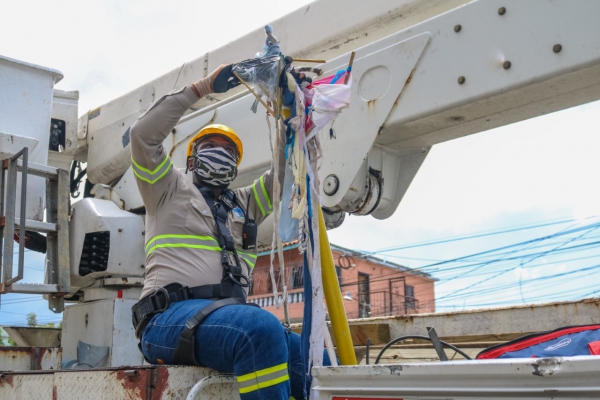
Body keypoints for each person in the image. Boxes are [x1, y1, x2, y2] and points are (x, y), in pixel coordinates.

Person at [129, 64, 326, 400]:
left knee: (314, 357)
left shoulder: (246, 203)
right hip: (167, 320)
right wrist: (203, 87)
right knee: (259, 329)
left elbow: (288, 163)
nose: (219, 153)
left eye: (228, 150)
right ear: (191, 160)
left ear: (236, 166)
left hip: (226, 320)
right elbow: (142, 136)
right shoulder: (166, 188)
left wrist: (293, 106)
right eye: (210, 146)